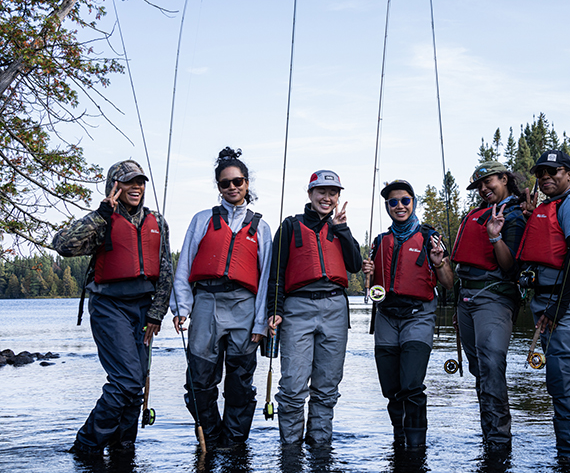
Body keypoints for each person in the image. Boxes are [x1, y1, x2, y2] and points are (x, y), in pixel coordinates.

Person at [52, 160, 172, 456]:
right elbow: (63, 245)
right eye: (129, 182)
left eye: (140, 182)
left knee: (137, 382)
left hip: (144, 310)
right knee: (127, 379)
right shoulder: (102, 220)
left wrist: (157, 312)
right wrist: (101, 213)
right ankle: (87, 445)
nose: (137, 187)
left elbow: (166, 269)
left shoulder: (158, 221)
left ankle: (122, 447)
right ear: (114, 187)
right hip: (109, 307)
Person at [171, 147, 272, 446]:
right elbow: (184, 265)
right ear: (218, 187)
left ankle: (235, 444)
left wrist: (260, 323)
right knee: (200, 381)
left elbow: (266, 277)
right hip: (206, 304)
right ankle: (210, 439)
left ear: (247, 184)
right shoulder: (202, 220)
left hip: (244, 307)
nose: (232, 187)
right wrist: (182, 307)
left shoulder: (261, 227)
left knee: (240, 383)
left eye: (237, 181)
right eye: (225, 183)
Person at [516, 149, 570, 466]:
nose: (546, 177)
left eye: (554, 171)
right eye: (541, 173)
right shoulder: (548, 207)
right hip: (551, 301)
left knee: (562, 377)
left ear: (569, 174)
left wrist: (557, 306)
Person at [267, 170, 362, 445]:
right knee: (293, 387)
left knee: (327, 387)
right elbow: (277, 273)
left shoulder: (339, 229)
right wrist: (275, 310)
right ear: (310, 194)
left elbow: (355, 265)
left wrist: (342, 228)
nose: (327, 197)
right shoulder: (289, 226)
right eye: (321, 191)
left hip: (335, 308)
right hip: (297, 308)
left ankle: (320, 446)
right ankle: (291, 448)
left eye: (333, 193)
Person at [362, 180, 454, 448]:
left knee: (411, 385)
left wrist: (440, 263)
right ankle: (398, 440)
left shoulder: (430, 238)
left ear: (414, 202)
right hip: (386, 317)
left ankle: (416, 448)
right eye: (393, 202)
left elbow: (448, 283)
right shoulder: (380, 241)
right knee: (391, 389)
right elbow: (374, 286)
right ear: (387, 206)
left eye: (405, 200)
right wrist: (368, 273)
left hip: (418, 315)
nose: (399, 206)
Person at [450, 161, 526, 451]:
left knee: (492, 364)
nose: (483, 189)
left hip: (494, 297)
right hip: (466, 301)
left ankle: (499, 441)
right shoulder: (476, 215)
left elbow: (510, 267)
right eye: (479, 186)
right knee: (479, 369)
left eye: (488, 182)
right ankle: (490, 437)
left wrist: (495, 236)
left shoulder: (515, 215)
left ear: (504, 179)